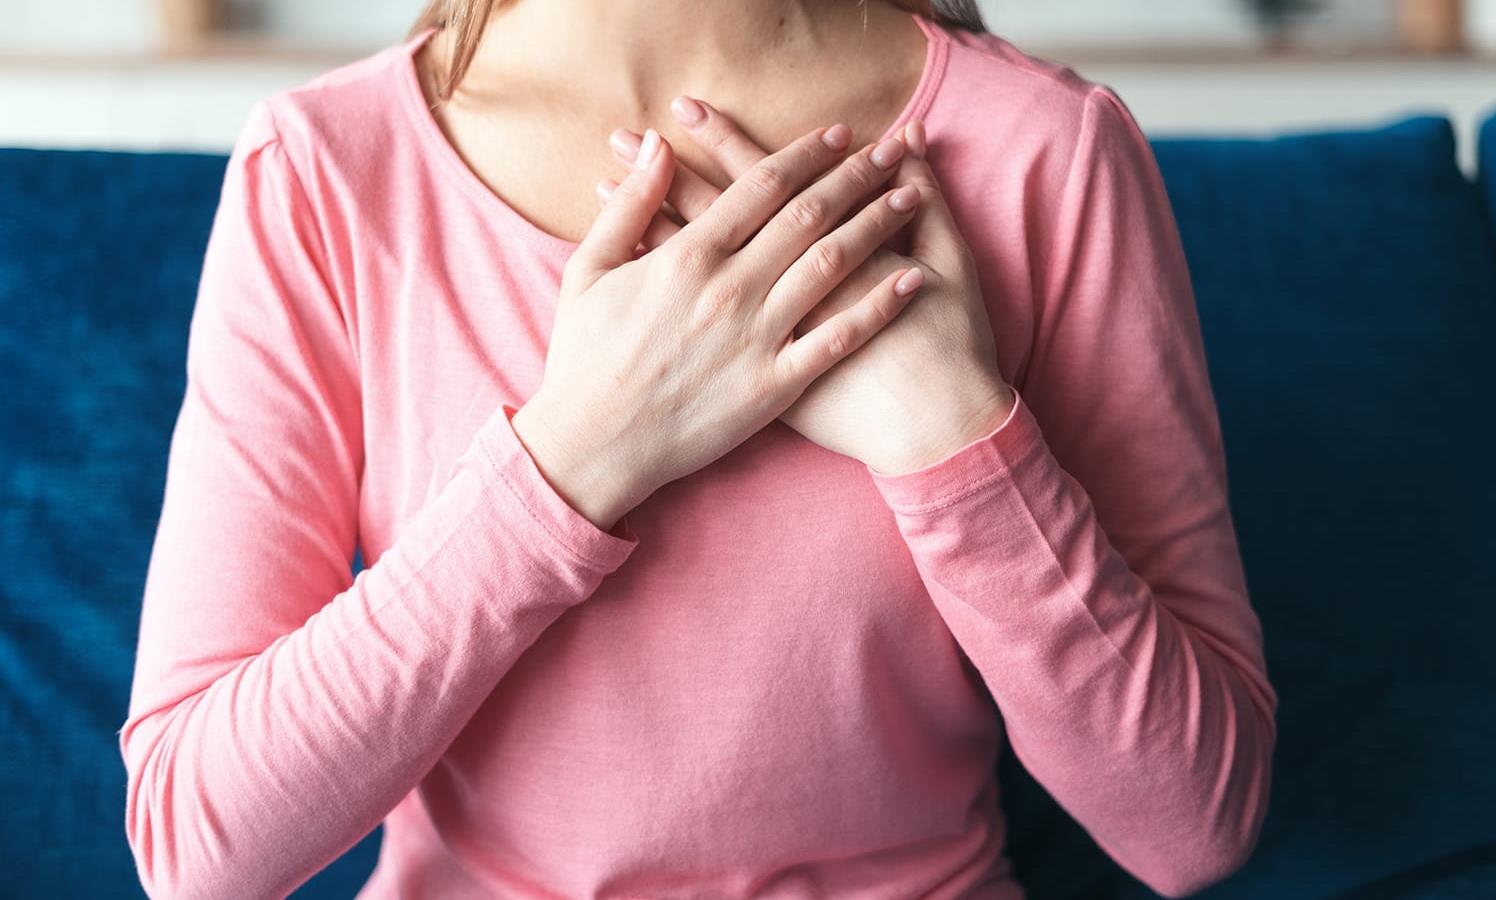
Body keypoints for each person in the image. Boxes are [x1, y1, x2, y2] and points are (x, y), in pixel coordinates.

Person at [117, 1, 1278, 897]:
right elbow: (195, 843)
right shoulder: (328, 171)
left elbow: (1195, 824)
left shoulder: (1044, 153)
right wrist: (572, 461)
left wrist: (956, 440)